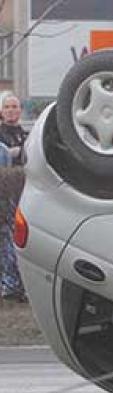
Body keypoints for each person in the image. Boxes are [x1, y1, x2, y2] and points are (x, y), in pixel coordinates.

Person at [0, 93, 26, 302]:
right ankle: (10, 285)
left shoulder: (24, 135)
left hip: (21, 194)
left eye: (14, 107)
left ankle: (18, 282)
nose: (11, 110)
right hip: (4, 195)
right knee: (7, 237)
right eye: (7, 107)